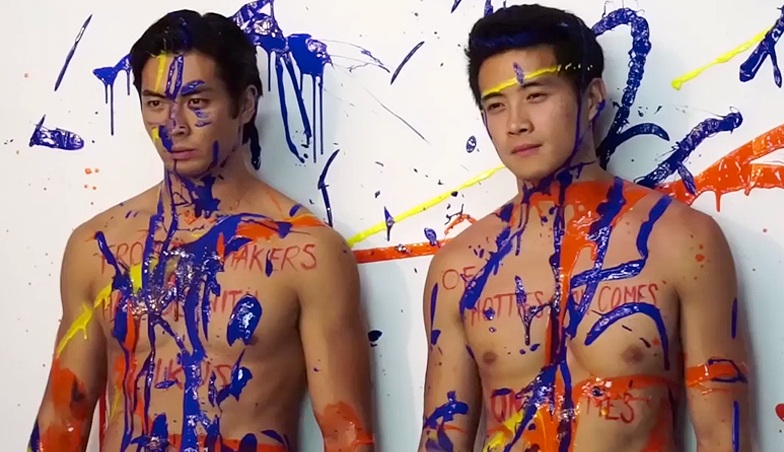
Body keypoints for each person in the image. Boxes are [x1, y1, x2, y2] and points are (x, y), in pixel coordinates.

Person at [28, 9, 374, 452]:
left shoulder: (307, 252)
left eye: (197, 102)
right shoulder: (97, 247)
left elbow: (346, 433)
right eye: (155, 103)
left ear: (245, 104)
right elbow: (62, 417)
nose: (173, 125)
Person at [418, 4, 751, 451]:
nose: (516, 123)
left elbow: (722, 436)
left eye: (536, 95)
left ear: (592, 98)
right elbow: (440, 438)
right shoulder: (459, 270)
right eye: (495, 105)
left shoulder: (681, 241)